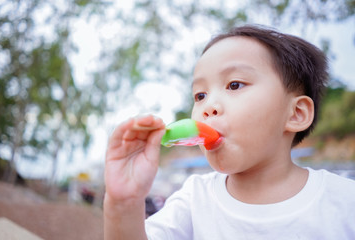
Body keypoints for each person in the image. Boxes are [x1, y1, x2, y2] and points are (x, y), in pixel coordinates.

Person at [103, 25, 355, 239]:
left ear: (296, 114)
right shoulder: (195, 199)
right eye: (200, 95)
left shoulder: (345, 202)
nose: (208, 107)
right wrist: (124, 203)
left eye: (234, 85)